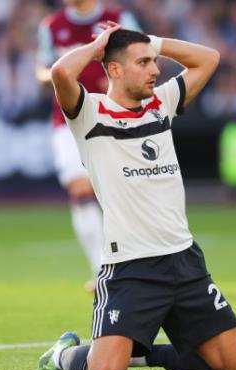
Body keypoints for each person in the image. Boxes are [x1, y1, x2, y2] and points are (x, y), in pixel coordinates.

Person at [38, 22, 236, 370]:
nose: (155, 69)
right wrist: (98, 45)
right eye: (143, 63)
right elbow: (61, 71)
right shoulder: (90, 114)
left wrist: (151, 41)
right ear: (116, 70)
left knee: (234, 365)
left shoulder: (161, 103)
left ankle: (143, 355)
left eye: (154, 61)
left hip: (184, 261)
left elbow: (209, 59)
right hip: (131, 266)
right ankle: (62, 355)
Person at [36, 0, 140, 292]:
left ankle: (133, 262)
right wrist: (61, 71)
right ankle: (101, 269)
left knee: (120, 191)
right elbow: (42, 71)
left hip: (114, 116)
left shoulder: (118, 18)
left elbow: (144, 57)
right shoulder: (52, 26)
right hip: (68, 121)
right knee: (80, 189)